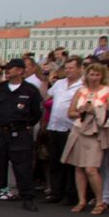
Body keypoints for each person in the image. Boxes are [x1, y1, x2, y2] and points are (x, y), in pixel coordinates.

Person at [0, 58, 42, 210]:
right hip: (1, 131)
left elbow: (36, 113)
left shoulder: (30, 90)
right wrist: (0, 123)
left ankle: (27, 198)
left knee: (22, 167)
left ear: (19, 70)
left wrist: (23, 124)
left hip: (20, 132)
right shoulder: (0, 89)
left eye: (10, 68)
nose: (7, 71)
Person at [62, 62, 109, 214]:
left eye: (97, 75)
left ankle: (100, 201)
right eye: (91, 74)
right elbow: (70, 112)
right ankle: (81, 200)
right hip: (79, 130)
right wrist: (81, 111)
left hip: (96, 133)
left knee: (91, 169)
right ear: (86, 76)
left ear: (102, 76)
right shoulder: (81, 91)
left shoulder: (108, 91)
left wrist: (96, 110)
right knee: (78, 167)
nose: (94, 78)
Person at [43, 57, 84, 204]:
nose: (68, 71)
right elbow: (47, 97)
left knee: (69, 164)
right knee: (55, 162)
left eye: (71, 68)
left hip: (70, 128)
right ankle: (56, 192)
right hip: (54, 127)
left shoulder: (82, 85)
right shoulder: (59, 83)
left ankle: (70, 194)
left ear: (79, 68)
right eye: (66, 68)